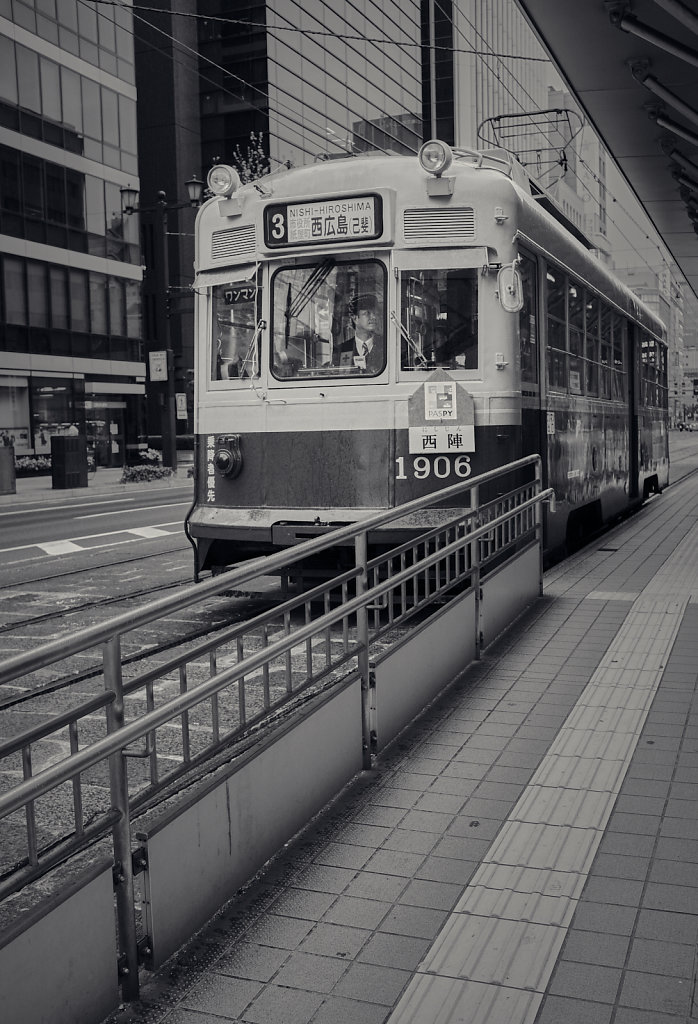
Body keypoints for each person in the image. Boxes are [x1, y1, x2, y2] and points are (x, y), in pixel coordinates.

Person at [333, 293, 384, 373]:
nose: (373, 317)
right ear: (355, 318)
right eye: (367, 313)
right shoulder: (342, 350)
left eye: (374, 313)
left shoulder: (385, 346)